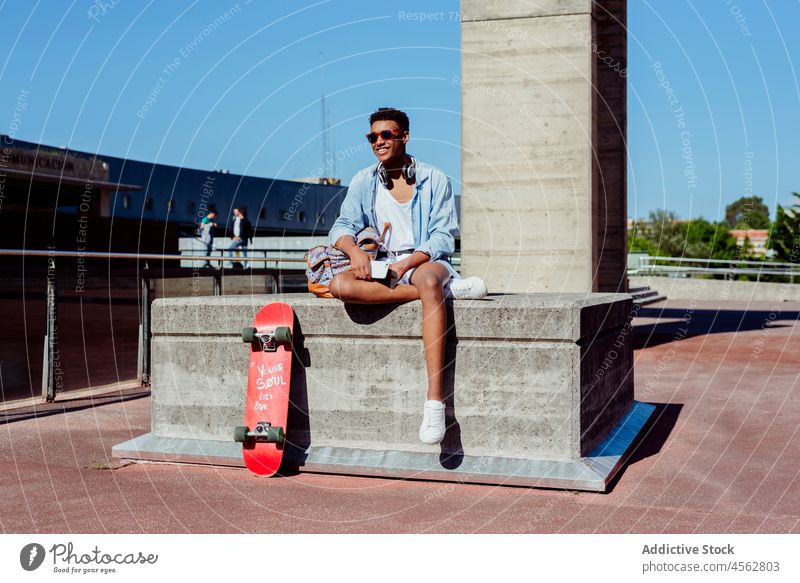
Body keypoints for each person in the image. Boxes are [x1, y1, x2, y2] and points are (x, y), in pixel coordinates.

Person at [328, 107, 487, 445]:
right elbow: (342, 226)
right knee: (337, 285)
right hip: (385, 264)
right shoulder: (363, 181)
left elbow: (443, 237)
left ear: (404, 136)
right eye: (372, 137)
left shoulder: (434, 178)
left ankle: (433, 403)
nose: (378, 142)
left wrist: (406, 265)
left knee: (428, 280)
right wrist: (355, 252)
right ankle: (445, 294)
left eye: (386, 135)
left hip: (426, 261)